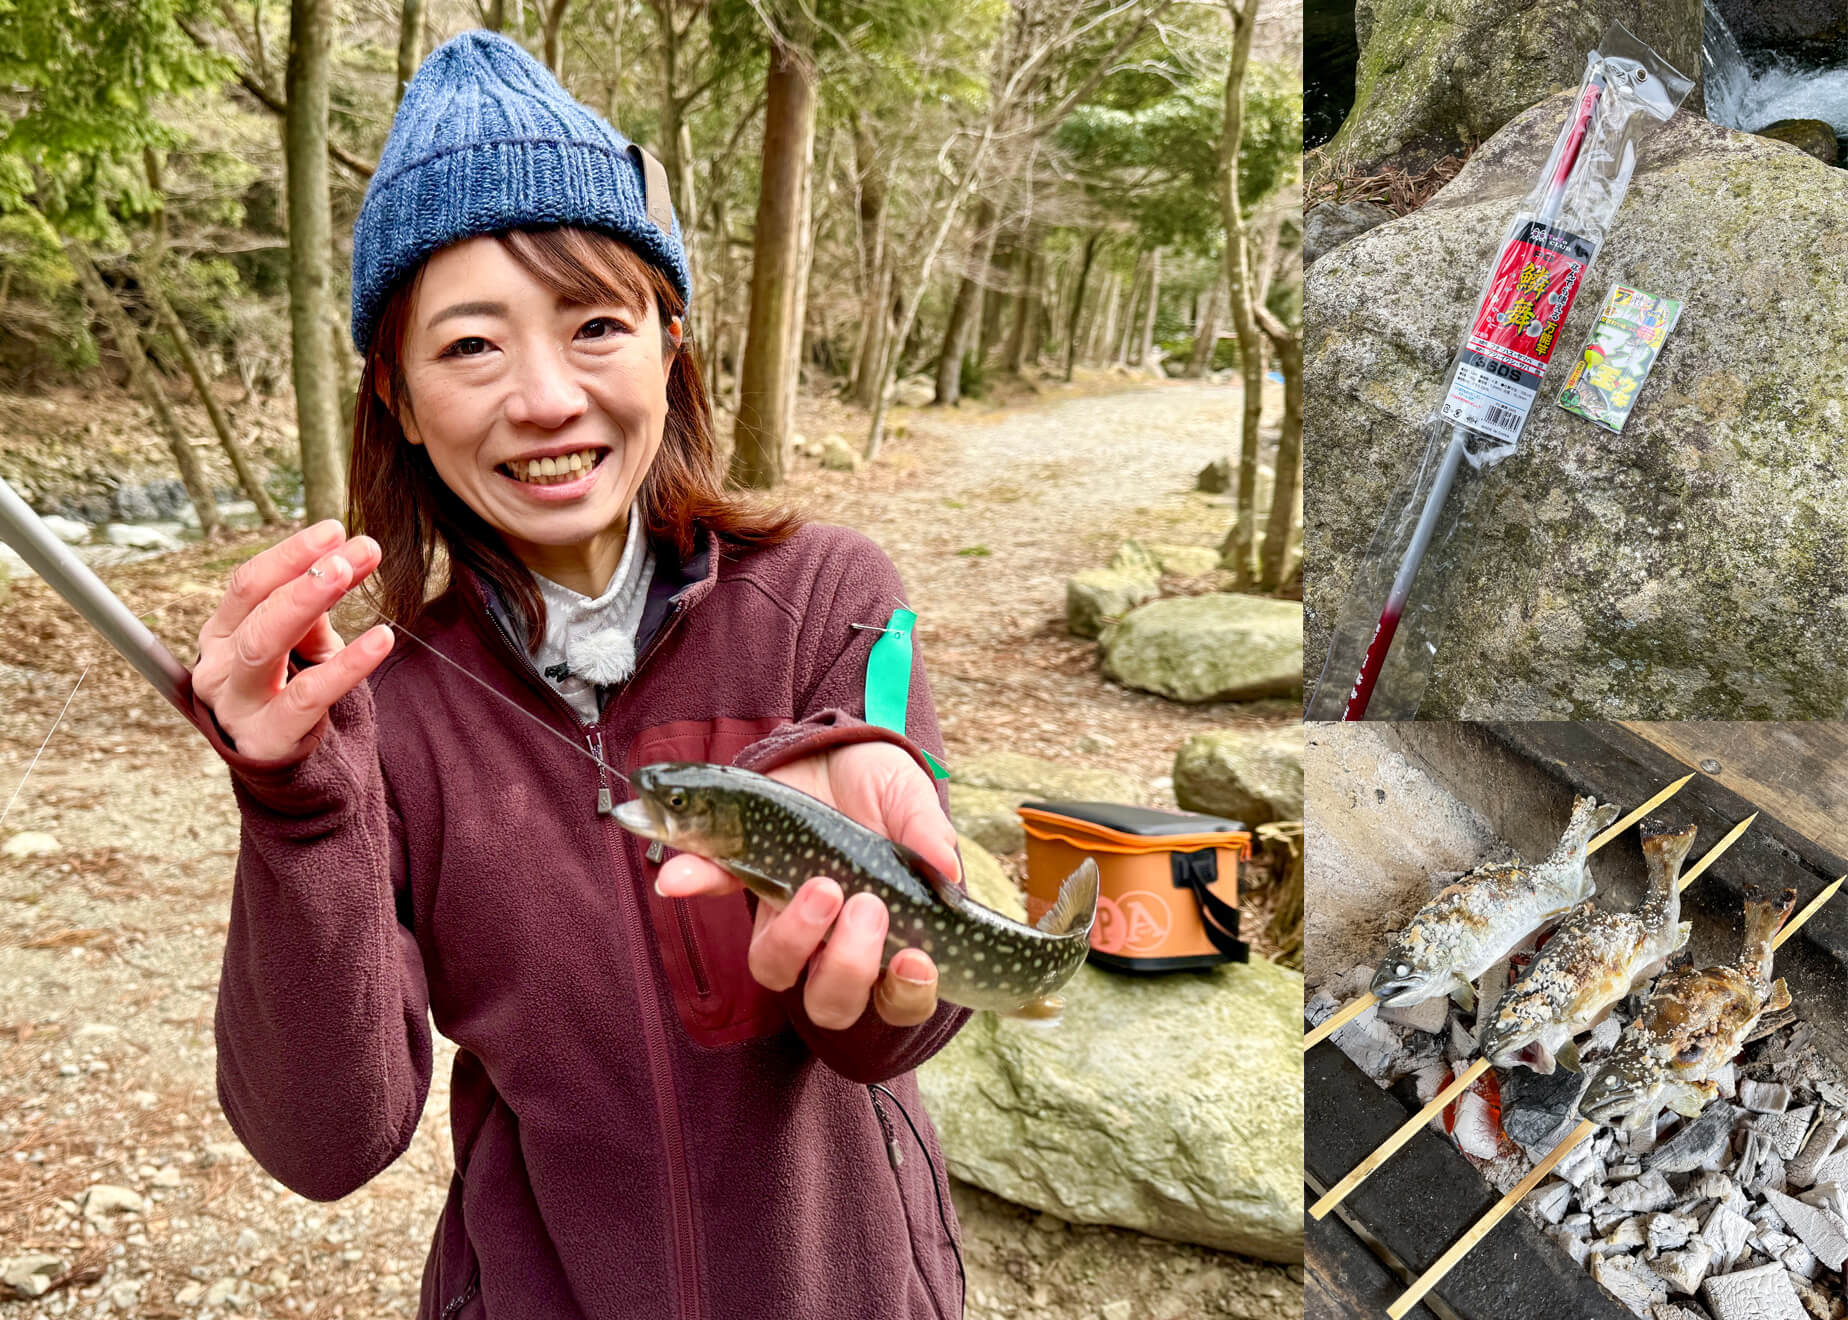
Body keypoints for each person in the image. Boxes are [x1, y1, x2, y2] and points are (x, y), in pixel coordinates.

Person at [189, 30, 969, 1320]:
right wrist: (293, 804)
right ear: (393, 394)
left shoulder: (828, 599)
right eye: (472, 346)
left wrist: (866, 901)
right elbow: (325, 1146)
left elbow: (894, 1032)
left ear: (673, 342)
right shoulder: (383, 707)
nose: (547, 399)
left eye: (596, 322)